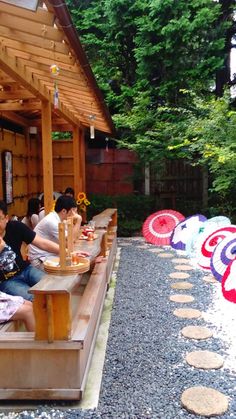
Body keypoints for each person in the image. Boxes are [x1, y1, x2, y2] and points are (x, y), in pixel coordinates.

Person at [0, 200, 59, 301]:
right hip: (6, 281)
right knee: (35, 299)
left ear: (6, 218)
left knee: (53, 287)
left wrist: (67, 252)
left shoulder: (16, 227)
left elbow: (41, 242)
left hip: (26, 270)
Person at [28, 195, 83, 271]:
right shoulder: (52, 221)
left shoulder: (60, 219)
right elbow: (69, 242)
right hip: (39, 259)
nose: (75, 215)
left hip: (50, 254)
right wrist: (79, 220)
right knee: (71, 267)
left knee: (75, 261)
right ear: (64, 211)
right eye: (74, 211)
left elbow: (71, 240)